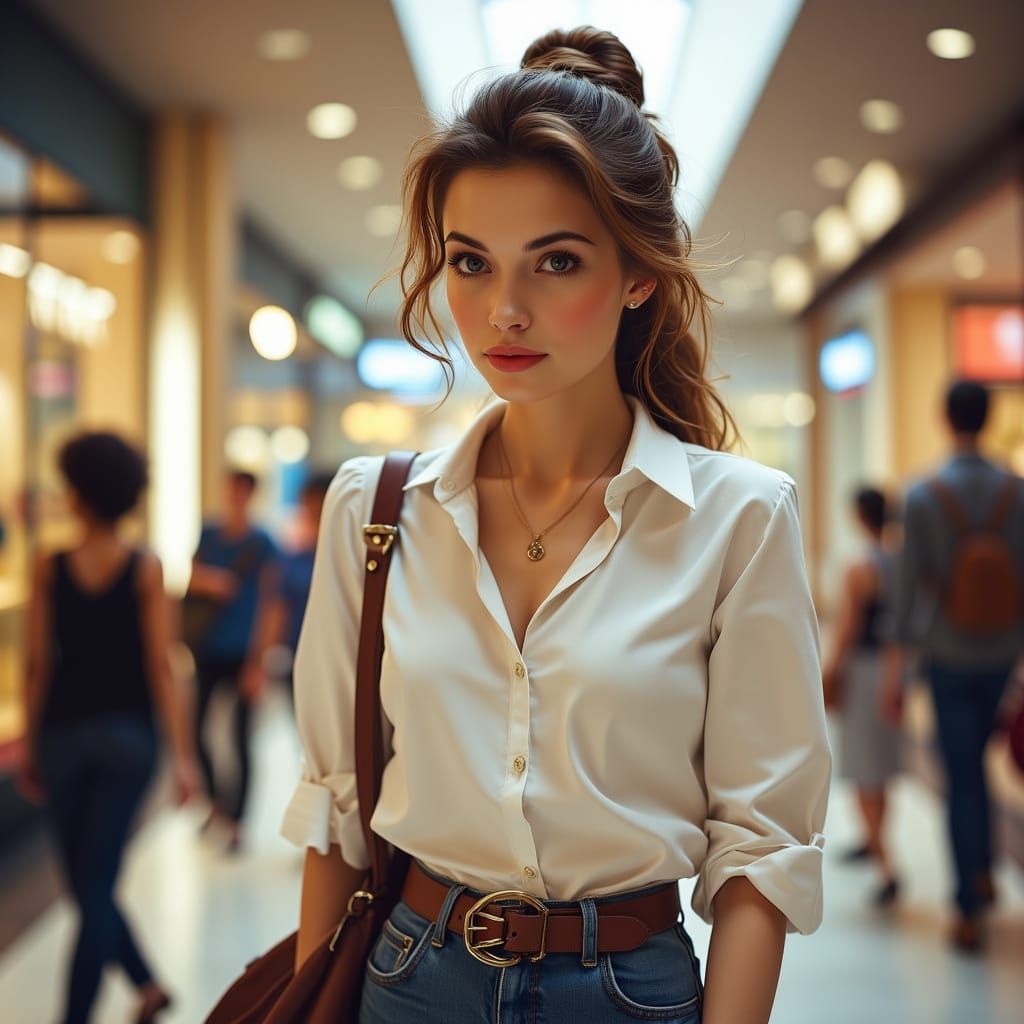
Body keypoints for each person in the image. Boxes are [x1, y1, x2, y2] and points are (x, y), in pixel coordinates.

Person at [282, 27, 830, 1024]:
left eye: (555, 262)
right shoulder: (376, 509)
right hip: (408, 978)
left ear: (637, 274)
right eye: (470, 263)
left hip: (624, 990)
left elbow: (762, 844)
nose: (504, 312)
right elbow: (337, 816)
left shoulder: (738, 521)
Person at [17, 431, 199, 1024]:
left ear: (79, 495)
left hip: (63, 736)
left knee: (86, 886)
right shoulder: (146, 567)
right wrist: (184, 756)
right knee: (93, 885)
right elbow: (162, 665)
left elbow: (37, 662)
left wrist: (28, 744)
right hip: (128, 739)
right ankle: (146, 985)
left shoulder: (49, 565)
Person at [884, 380, 1024, 952]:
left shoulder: (923, 495)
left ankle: (969, 901)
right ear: (989, 417)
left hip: (947, 653)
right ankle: (985, 870)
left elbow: (906, 589)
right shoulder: (1018, 492)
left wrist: (897, 668)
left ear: (946, 418)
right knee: (983, 768)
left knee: (961, 772)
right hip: (1005, 651)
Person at [186, 470, 277, 852]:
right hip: (208, 648)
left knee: (241, 739)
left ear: (251, 494)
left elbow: (272, 603)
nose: (235, 496)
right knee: (196, 732)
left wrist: (259, 662)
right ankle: (217, 801)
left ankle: (237, 821)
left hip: (243, 652)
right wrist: (214, 581)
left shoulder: (263, 542)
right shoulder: (209, 533)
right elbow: (191, 578)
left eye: (242, 490)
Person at [822, 487, 902, 906]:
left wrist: (830, 672)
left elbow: (847, 629)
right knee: (881, 769)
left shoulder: (859, 566)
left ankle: (886, 864)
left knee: (862, 769)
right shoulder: (899, 560)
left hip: (863, 674)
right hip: (891, 673)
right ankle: (874, 842)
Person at [240, 471, 334, 706]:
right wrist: (258, 664)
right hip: (302, 658)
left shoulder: (356, 558)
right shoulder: (294, 561)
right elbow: (275, 612)